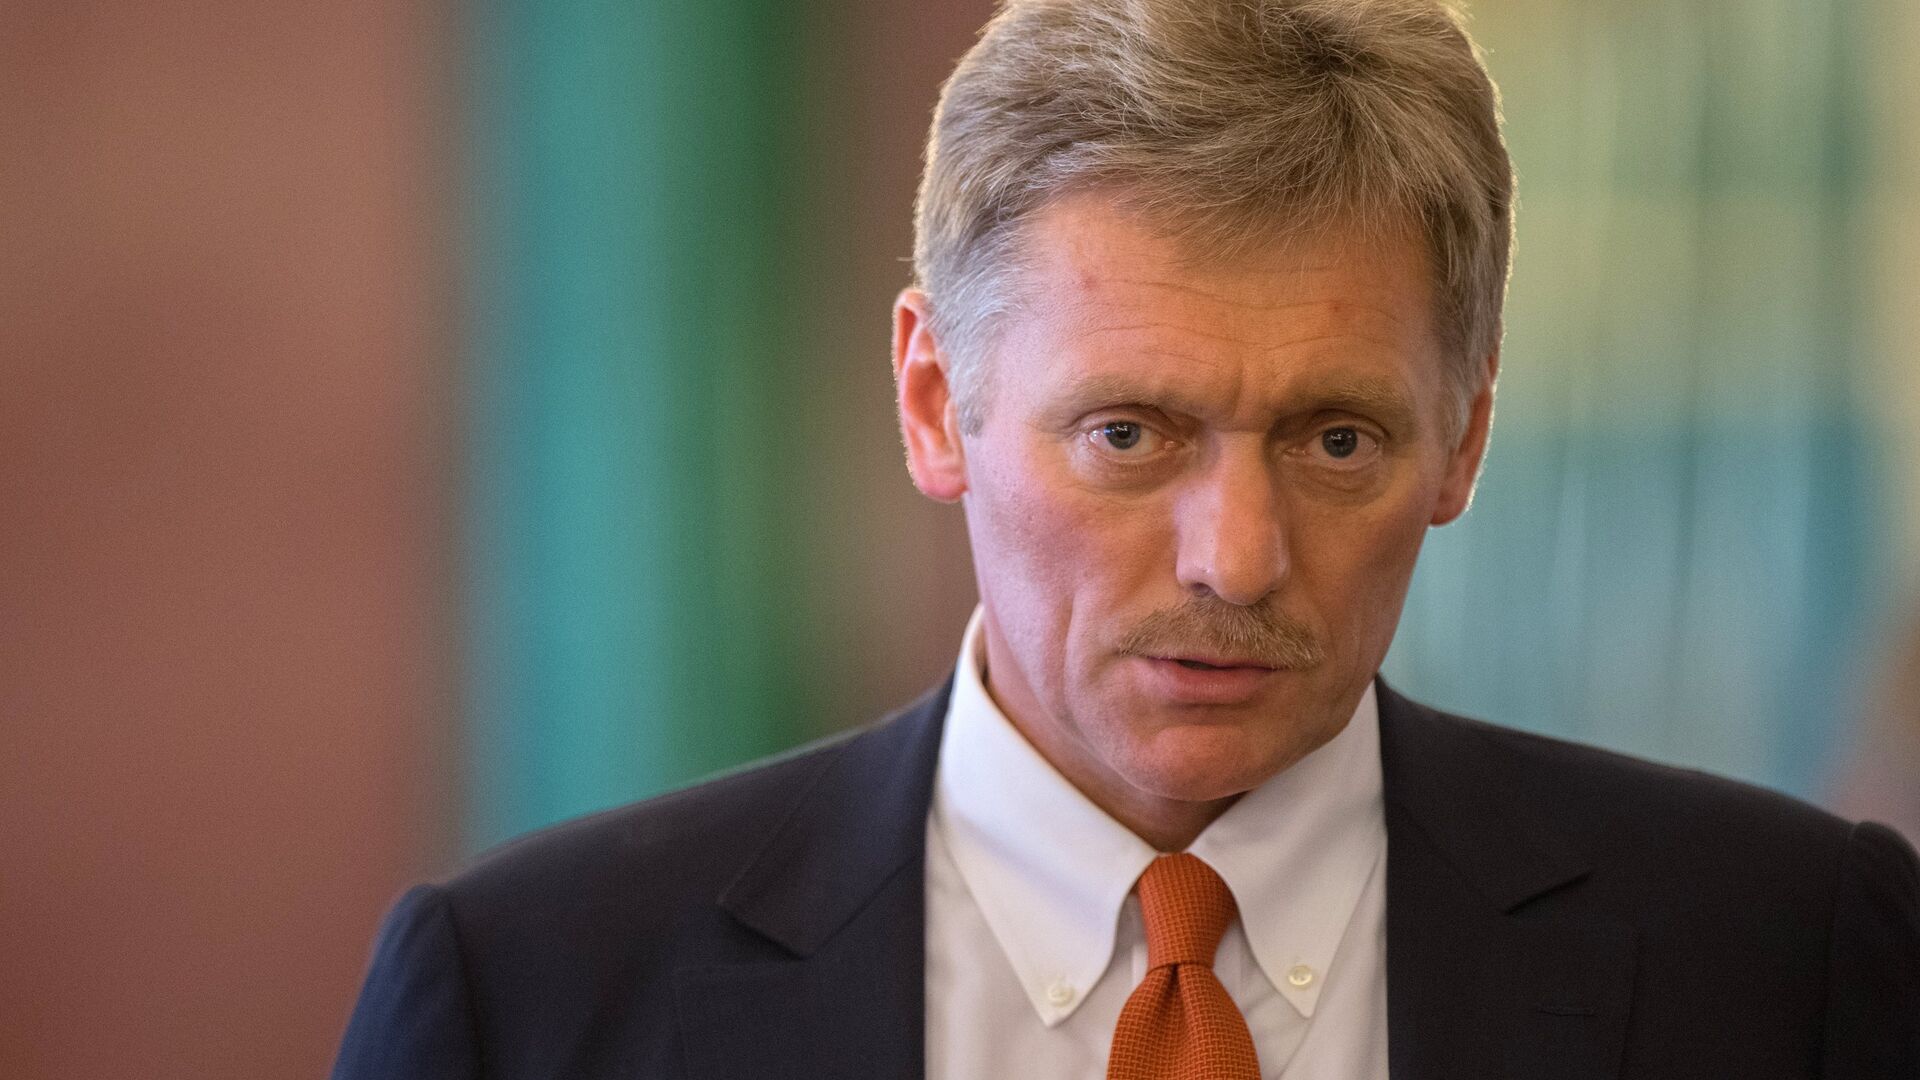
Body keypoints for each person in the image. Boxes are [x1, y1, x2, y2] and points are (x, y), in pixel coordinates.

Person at [333, 1, 1920, 1076]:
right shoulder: (529, 1002)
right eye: (1129, 435)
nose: (1237, 557)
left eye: (1336, 440)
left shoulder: (1789, 965)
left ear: (1466, 438)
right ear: (936, 405)